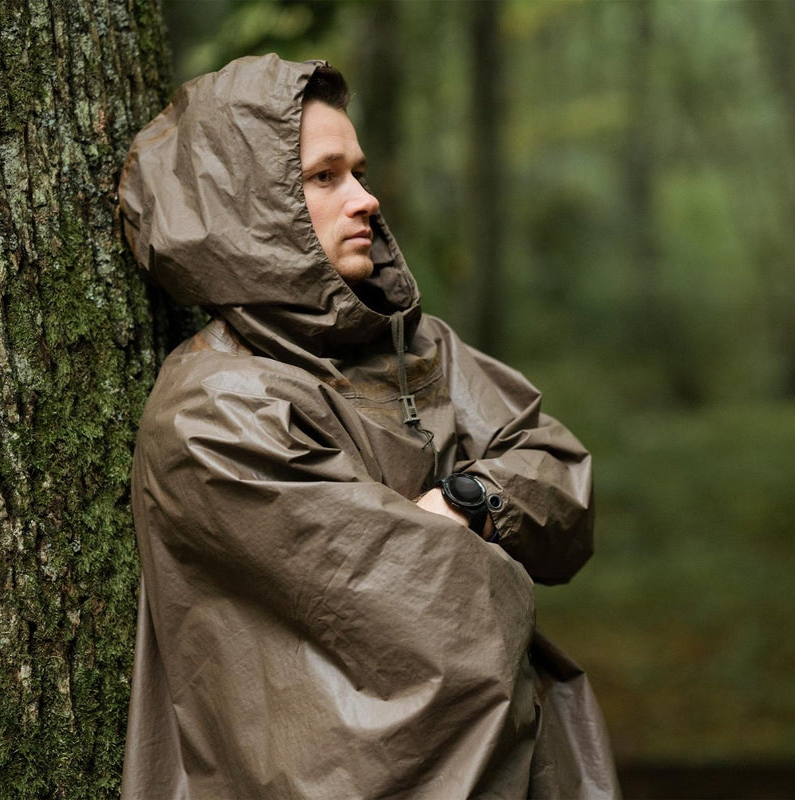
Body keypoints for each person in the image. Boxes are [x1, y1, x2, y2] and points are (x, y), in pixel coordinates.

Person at [119, 54, 620, 799]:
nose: (367, 199)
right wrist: (492, 529)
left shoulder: (417, 345)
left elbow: (557, 477)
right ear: (257, 204)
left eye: (356, 170)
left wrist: (461, 501)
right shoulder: (213, 410)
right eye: (325, 177)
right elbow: (447, 617)